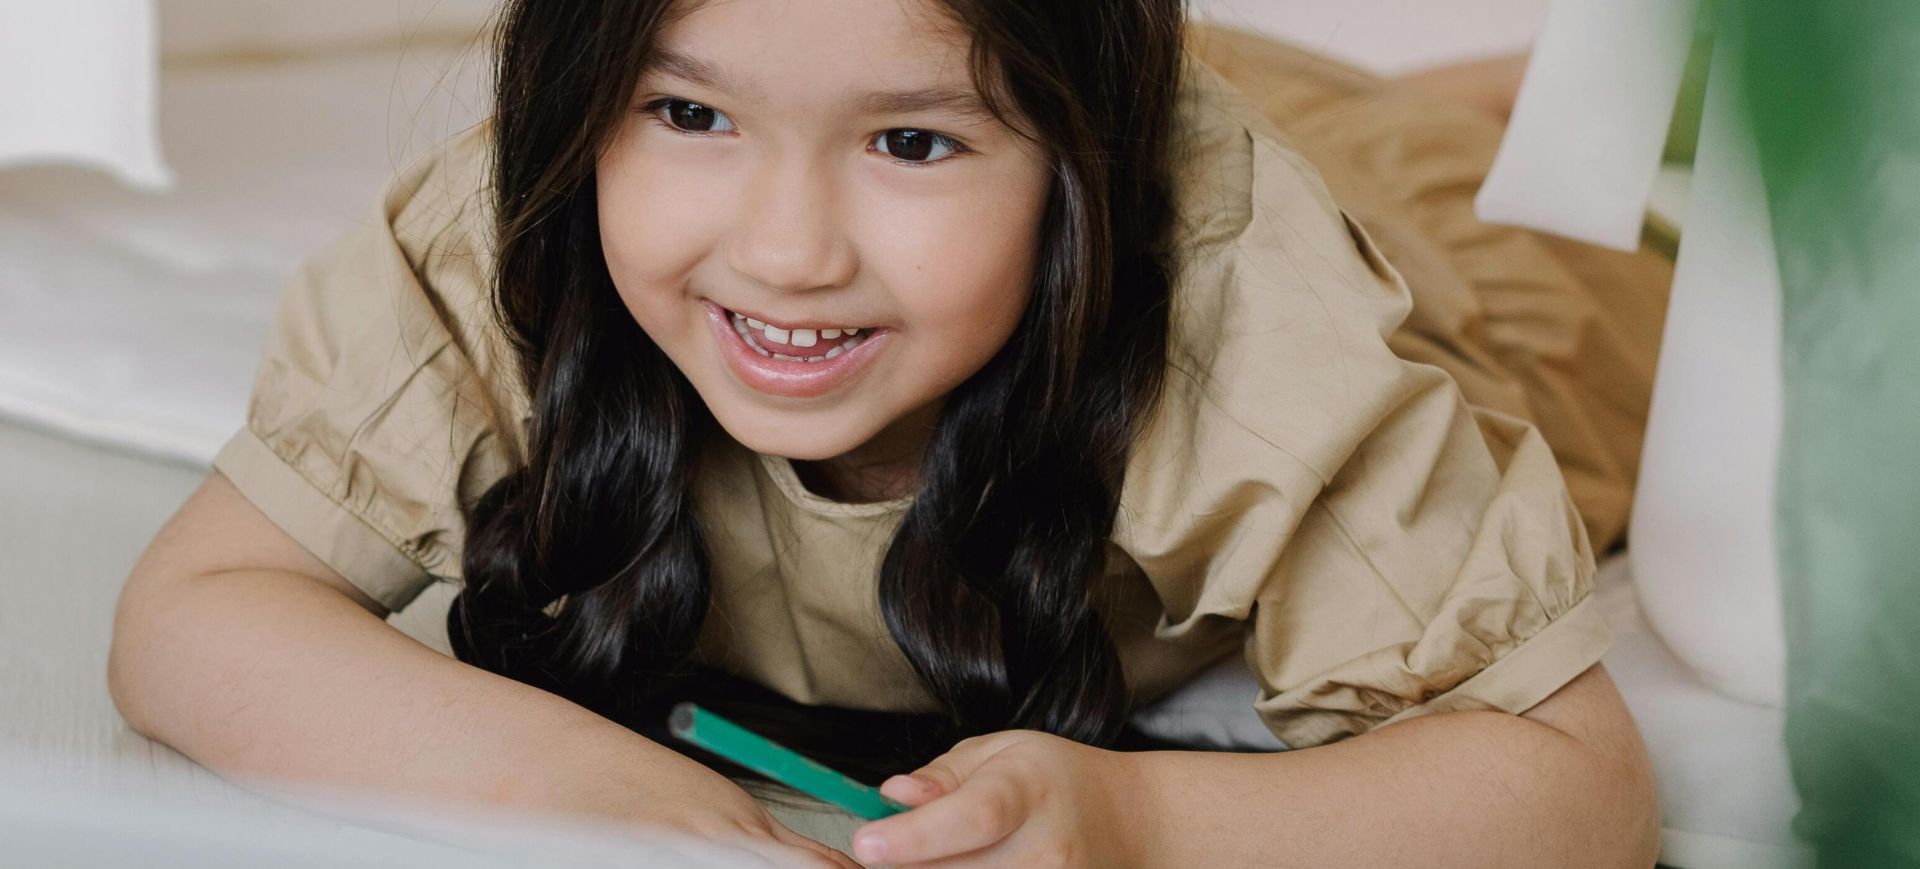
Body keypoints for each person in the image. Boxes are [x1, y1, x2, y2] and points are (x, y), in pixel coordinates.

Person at [108, 0, 1663, 866]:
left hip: (1472, 272)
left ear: (1078, 172)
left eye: (911, 141)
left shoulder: (1252, 318)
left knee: (1519, 190)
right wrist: (578, 787)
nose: (785, 252)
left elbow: (1577, 786)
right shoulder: (513, 226)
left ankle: (1516, 86)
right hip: (1113, 88)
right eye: (688, 114)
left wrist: (1135, 817)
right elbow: (194, 614)